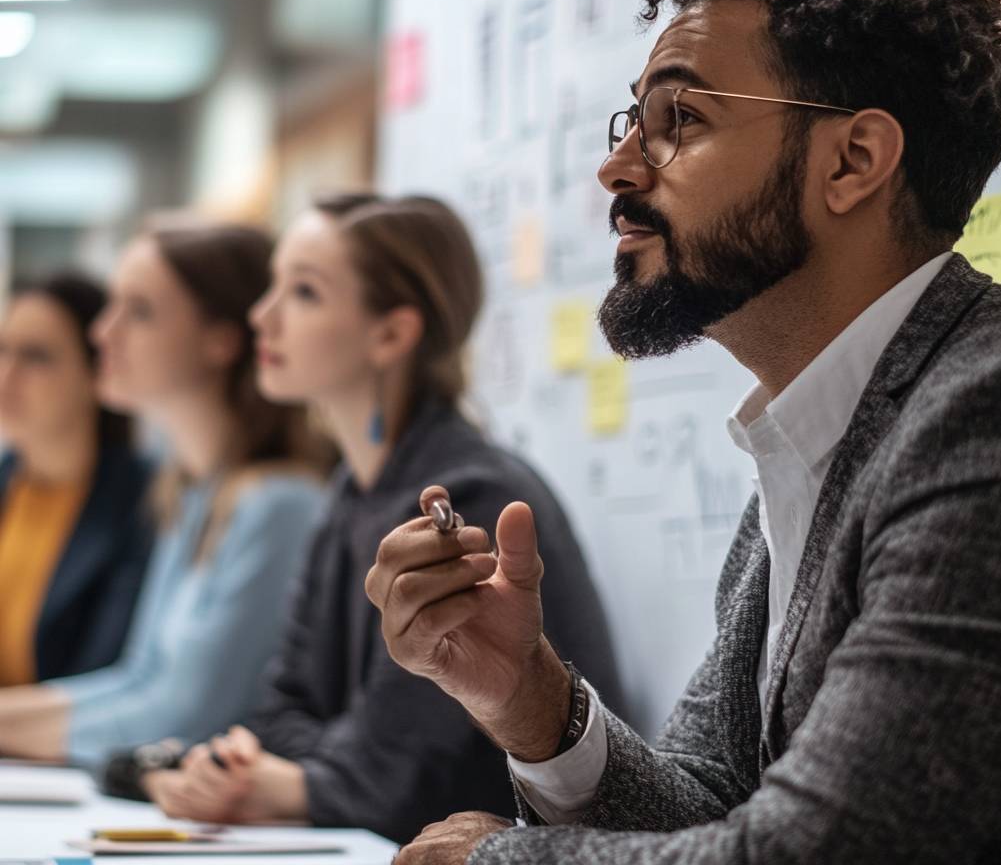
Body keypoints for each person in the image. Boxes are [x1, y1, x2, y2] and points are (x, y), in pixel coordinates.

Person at [366, 0, 1001, 864]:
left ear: (852, 161)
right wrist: (527, 697)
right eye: (629, 123)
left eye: (678, 121)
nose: (620, 169)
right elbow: (714, 811)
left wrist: (495, 860)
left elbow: (829, 846)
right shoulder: (816, 437)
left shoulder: (988, 410)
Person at [141, 194, 622, 845]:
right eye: (273, 288)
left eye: (303, 293)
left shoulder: (466, 497)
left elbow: (396, 780)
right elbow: (280, 713)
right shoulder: (349, 491)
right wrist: (318, 762)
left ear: (392, 333)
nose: (263, 315)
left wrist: (296, 780)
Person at [0, 218, 328, 766]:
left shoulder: (278, 503)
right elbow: (137, 676)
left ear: (220, 341)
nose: (104, 332)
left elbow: (188, 716)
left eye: (141, 311)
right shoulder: (189, 492)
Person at [0, 273, 152, 688]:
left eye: (37, 357)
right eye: (2, 350)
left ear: (96, 371)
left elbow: (106, 673)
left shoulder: (146, 503)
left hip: (58, 745)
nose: (6, 376)